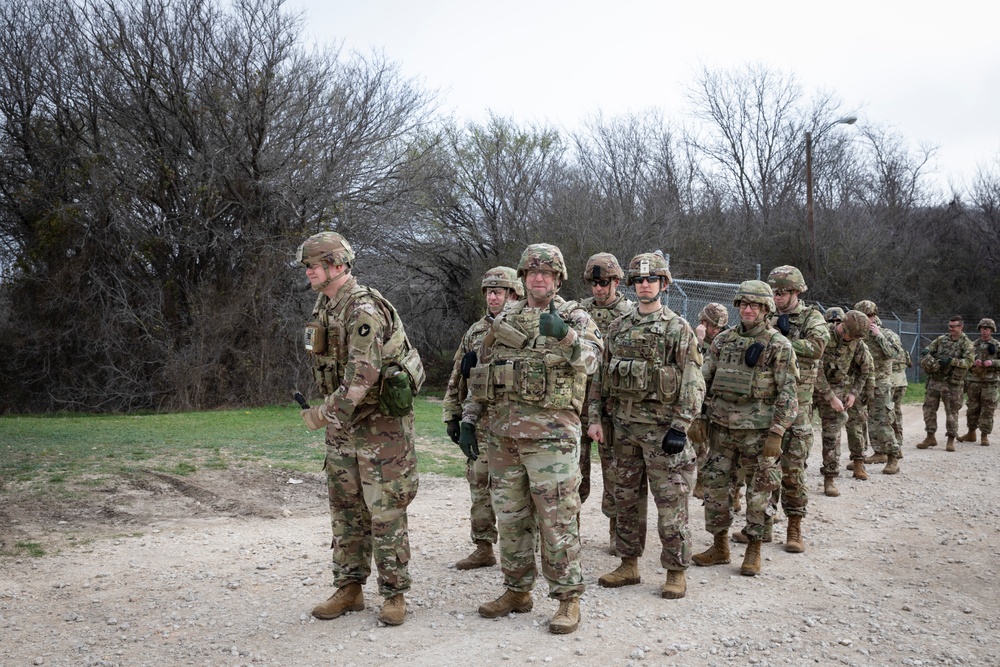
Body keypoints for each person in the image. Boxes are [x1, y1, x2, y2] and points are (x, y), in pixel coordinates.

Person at [462, 243, 602, 634]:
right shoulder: (504, 319)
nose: (538, 278)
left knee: (556, 519)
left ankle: (567, 598)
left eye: (547, 273)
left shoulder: (575, 316)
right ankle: (517, 590)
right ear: (522, 279)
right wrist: (470, 419)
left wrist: (567, 338)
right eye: (532, 272)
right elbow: (483, 374)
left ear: (558, 279)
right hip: (504, 436)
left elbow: (592, 362)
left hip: (552, 439)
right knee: (510, 519)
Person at [297, 231, 425, 626]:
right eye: (307, 266)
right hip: (344, 430)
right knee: (346, 510)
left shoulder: (363, 309)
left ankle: (393, 593)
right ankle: (350, 588)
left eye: (313, 266)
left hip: (379, 429)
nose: (308, 273)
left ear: (336, 265)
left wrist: (322, 414)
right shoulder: (327, 305)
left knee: (384, 511)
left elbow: (363, 375)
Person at [588, 252, 705, 599]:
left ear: (664, 285)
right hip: (622, 431)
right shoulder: (618, 327)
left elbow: (692, 381)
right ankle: (628, 564)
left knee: (671, 503)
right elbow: (600, 378)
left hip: (662, 433)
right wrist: (595, 417)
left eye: (651, 280)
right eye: (638, 281)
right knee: (625, 500)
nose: (644, 286)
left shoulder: (677, 329)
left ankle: (675, 570)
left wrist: (680, 426)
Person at [692, 280, 798, 577]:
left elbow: (789, 394)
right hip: (722, 430)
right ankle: (719, 545)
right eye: (743, 304)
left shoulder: (779, 345)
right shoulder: (723, 341)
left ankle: (753, 549)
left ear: (766, 309)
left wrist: (777, 433)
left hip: (759, 433)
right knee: (715, 487)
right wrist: (698, 417)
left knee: (759, 491)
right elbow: (704, 381)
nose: (747, 310)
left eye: (754, 305)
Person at [441, 267, 523, 570]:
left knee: (518, 490)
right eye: (488, 291)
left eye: (499, 291)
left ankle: (529, 550)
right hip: (481, 423)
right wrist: (453, 415)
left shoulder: (524, 326)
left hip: (515, 423)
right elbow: (457, 378)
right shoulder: (475, 332)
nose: (492, 296)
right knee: (479, 483)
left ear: (514, 294)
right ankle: (483, 545)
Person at [756, 265, 829, 553]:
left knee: (793, 468)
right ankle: (762, 523)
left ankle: (794, 526)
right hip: (766, 402)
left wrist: (779, 341)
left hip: (798, 405)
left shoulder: (812, 317)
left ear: (796, 292)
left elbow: (817, 347)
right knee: (763, 465)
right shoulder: (767, 315)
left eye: (782, 292)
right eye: (773, 292)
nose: (776, 297)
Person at [578, 253, 638, 554]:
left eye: (604, 283)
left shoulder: (630, 313)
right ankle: (568, 530)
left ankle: (616, 532)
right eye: (593, 283)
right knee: (573, 471)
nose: (598, 289)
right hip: (577, 403)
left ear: (616, 281)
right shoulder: (578, 312)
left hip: (610, 406)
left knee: (615, 472)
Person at [815, 310, 873, 497]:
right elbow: (815, 369)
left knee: (833, 434)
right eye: (850, 336)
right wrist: (830, 396)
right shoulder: (822, 336)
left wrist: (854, 393)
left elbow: (864, 371)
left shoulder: (857, 343)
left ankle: (830, 478)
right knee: (799, 434)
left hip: (838, 389)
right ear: (842, 327)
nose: (852, 340)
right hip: (810, 388)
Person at [852, 300, 904, 475]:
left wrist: (879, 336)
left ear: (874, 316)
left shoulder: (887, 334)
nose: (866, 320)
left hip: (880, 384)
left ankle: (893, 458)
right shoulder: (856, 334)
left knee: (882, 421)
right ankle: (860, 457)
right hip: (859, 383)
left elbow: (895, 354)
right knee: (857, 421)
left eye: (868, 316)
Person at [691, 303, 730, 502]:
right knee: (699, 443)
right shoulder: (690, 337)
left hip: (718, 400)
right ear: (702, 322)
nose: (715, 331)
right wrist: (698, 339)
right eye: (712, 326)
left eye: (719, 327)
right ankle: (700, 482)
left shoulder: (725, 341)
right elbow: (691, 364)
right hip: (699, 401)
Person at [917, 316, 974, 452]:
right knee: (929, 409)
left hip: (952, 383)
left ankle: (950, 440)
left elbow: (969, 362)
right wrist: (927, 352)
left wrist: (952, 361)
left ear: (961, 327)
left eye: (954, 326)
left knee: (951, 412)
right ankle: (930, 436)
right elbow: (930, 348)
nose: (951, 329)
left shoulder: (966, 343)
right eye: (949, 326)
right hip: (936, 380)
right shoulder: (942, 339)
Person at [957, 318, 1000, 447]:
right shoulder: (973, 345)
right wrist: (973, 361)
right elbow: (965, 360)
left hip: (990, 381)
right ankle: (971, 433)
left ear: (992, 330)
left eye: (987, 328)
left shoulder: (997, 345)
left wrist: (992, 362)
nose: (984, 331)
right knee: (972, 407)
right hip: (974, 381)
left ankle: (984, 435)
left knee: (988, 408)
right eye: (982, 328)